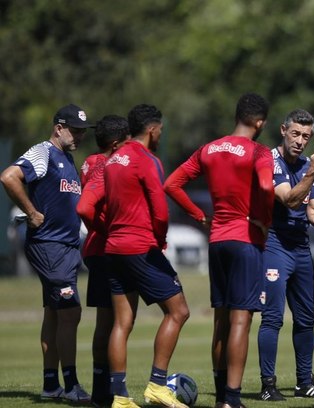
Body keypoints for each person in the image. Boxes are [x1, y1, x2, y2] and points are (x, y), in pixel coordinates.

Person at [164, 93, 274, 408]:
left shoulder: (209, 149)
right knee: (242, 320)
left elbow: (171, 184)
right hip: (245, 240)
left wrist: (198, 215)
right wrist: (264, 220)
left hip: (218, 241)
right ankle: (233, 400)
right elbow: (266, 187)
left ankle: (220, 397)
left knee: (221, 321)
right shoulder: (259, 151)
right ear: (260, 122)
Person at [0, 103, 93, 403]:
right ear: (58, 128)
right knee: (71, 312)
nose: (79, 136)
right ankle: (71, 386)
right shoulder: (43, 152)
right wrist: (31, 212)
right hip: (48, 245)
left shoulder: (67, 158)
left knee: (54, 314)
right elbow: (8, 177)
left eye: (82, 132)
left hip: (66, 247)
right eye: (74, 130)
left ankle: (51, 385)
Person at [103, 104, 190, 408]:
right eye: (160, 130)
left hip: (113, 248)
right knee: (179, 311)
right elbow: (160, 207)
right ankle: (157, 385)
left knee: (122, 322)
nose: (160, 135)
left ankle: (119, 397)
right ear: (152, 130)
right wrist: (161, 239)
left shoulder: (113, 159)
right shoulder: (146, 159)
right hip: (140, 247)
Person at [256, 109, 314, 401]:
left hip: (300, 247)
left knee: (306, 319)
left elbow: (312, 210)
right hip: (274, 245)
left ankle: (304, 382)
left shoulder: (308, 164)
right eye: (295, 133)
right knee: (272, 319)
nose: (300, 140)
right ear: (283, 130)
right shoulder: (271, 161)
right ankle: (268, 385)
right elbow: (290, 199)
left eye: (306, 136)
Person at [76, 114, 130, 407]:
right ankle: (111, 390)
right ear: (116, 142)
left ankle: (102, 392)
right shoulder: (106, 165)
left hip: (96, 250)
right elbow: (86, 207)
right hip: (108, 247)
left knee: (106, 323)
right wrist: (106, 227)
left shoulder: (89, 161)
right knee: (116, 322)